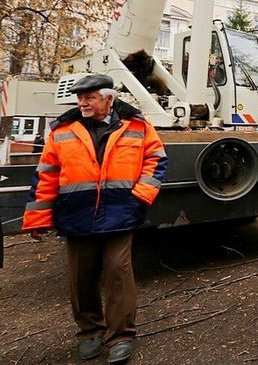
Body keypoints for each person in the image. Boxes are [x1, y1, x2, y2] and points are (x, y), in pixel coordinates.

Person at [21, 74, 167, 364]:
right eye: (79, 97)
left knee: (118, 271)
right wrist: (37, 217)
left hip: (120, 212)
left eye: (89, 97)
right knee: (81, 275)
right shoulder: (62, 130)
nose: (82, 102)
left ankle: (121, 335)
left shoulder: (137, 126)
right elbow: (47, 174)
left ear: (108, 98)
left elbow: (157, 159)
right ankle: (90, 333)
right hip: (76, 214)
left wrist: (140, 195)